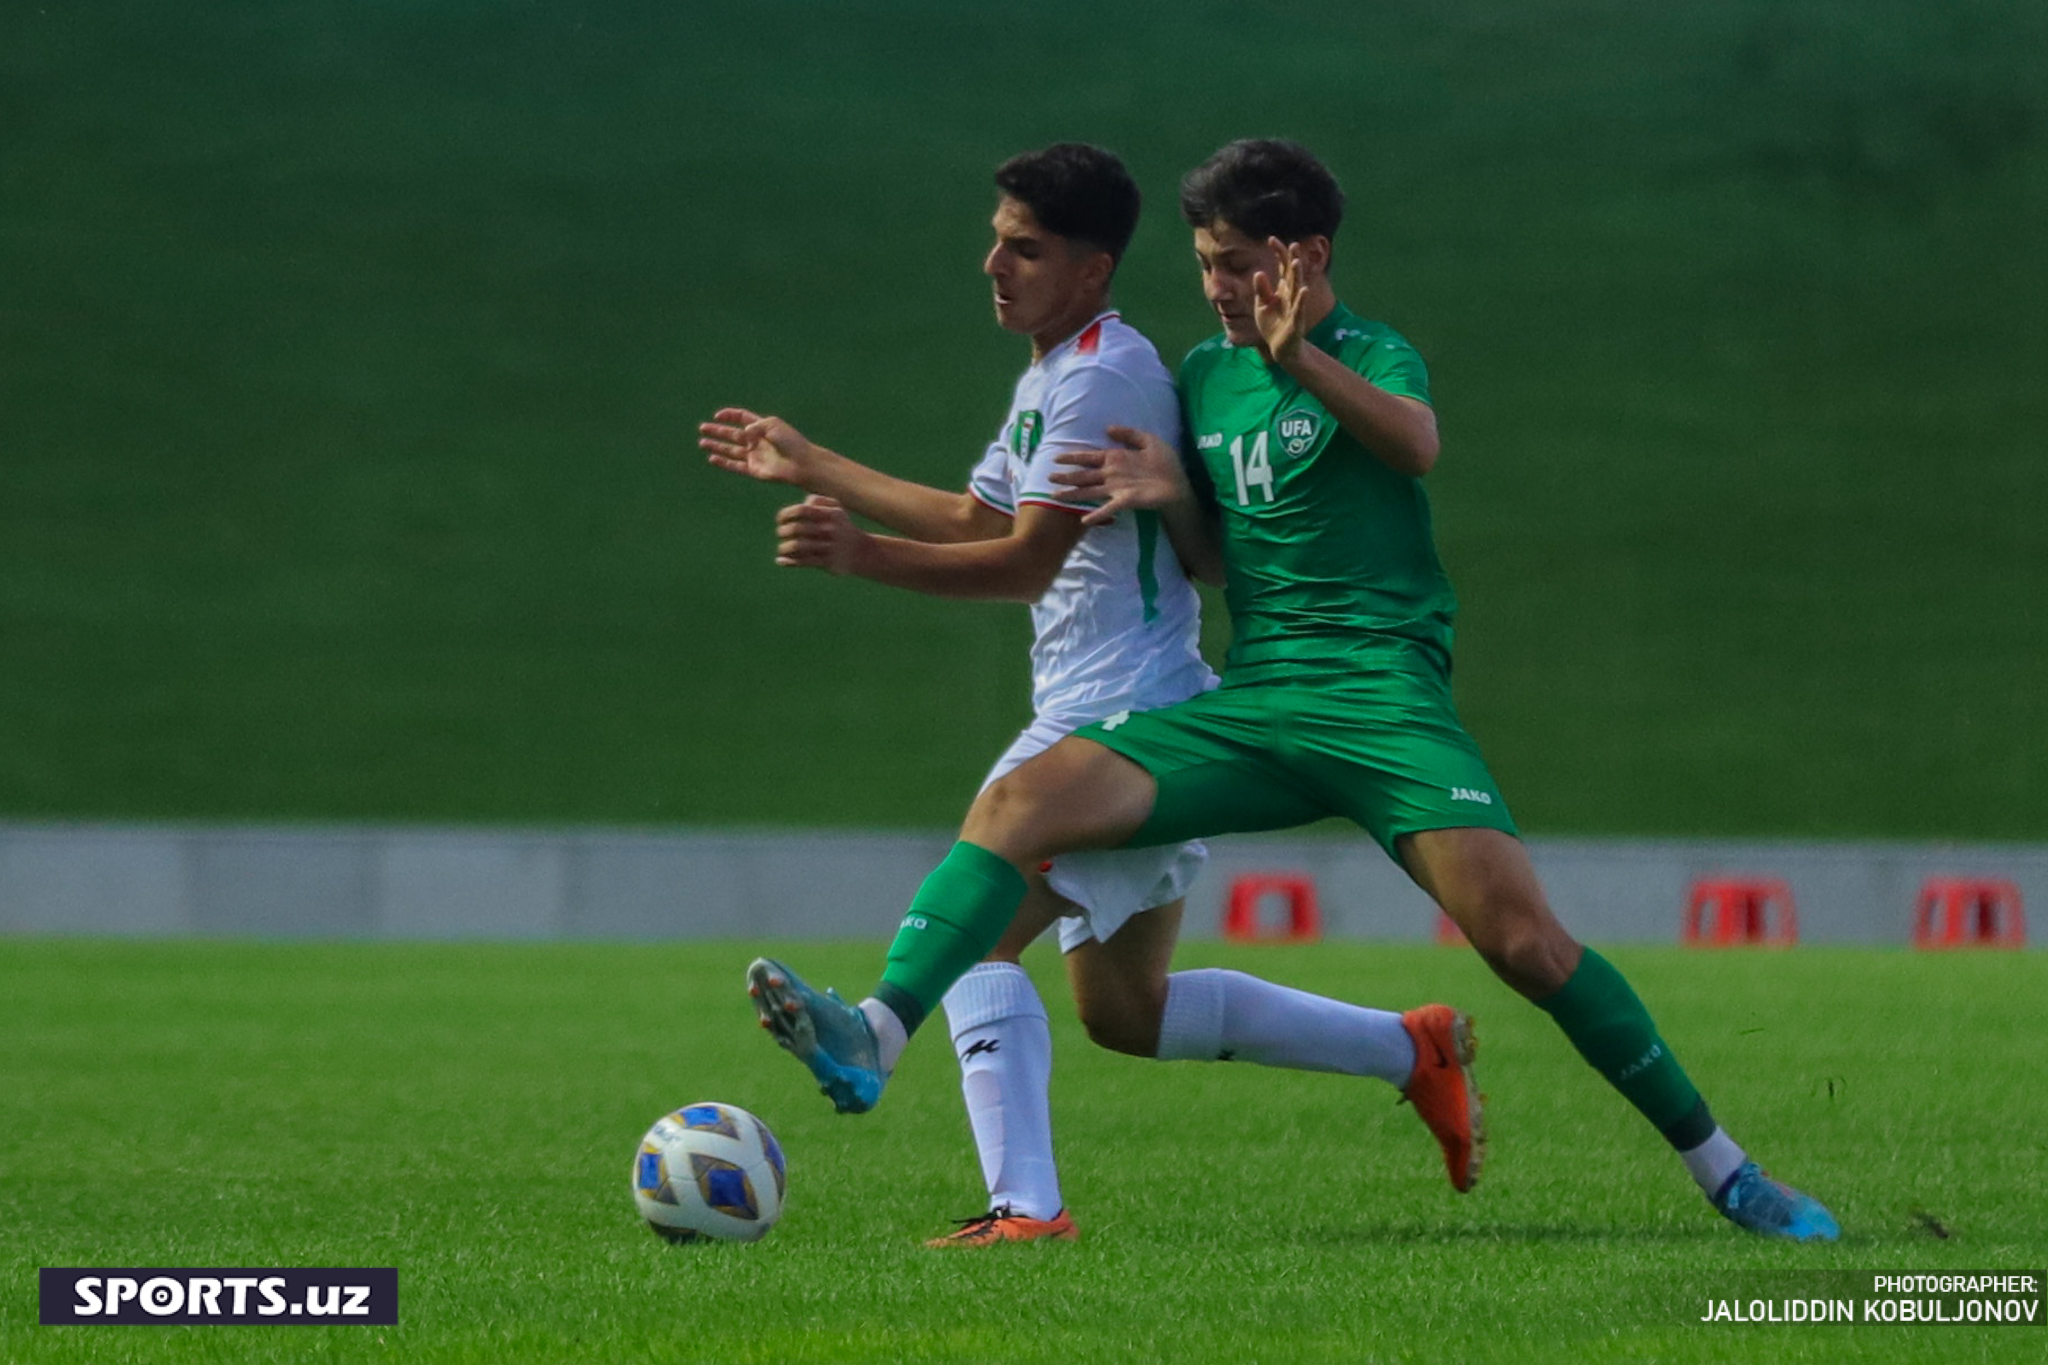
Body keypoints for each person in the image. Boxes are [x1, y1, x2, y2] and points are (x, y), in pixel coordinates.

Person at [747, 138, 1838, 1243]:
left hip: (1382, 700)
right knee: (1021, 809)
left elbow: (1414, 446)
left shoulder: (1368, 352)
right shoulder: (1203, 377)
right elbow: (1218, 561)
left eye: (1235, 265)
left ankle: (1728, 1175)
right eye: (1205, 266)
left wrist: (1302, 357)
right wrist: (1174, 497)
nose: (1217, 289)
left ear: (1305, 255)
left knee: (1523, 947)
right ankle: (879, 1033)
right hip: (1257, 703)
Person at [711, 144, 1481, 1247]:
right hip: (1111, 696)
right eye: (995, 239)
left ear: (1091, 266)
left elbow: (1023, 564)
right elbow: (982, 518)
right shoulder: (1052, 372)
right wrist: (816, 464)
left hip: (1124, 711)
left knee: (976, 923)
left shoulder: (1101, 377)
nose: (992, 263)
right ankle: (1411, 1049)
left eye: (1022, 247)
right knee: (1128, 1013)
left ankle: (968, 1143)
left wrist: (858, 559)